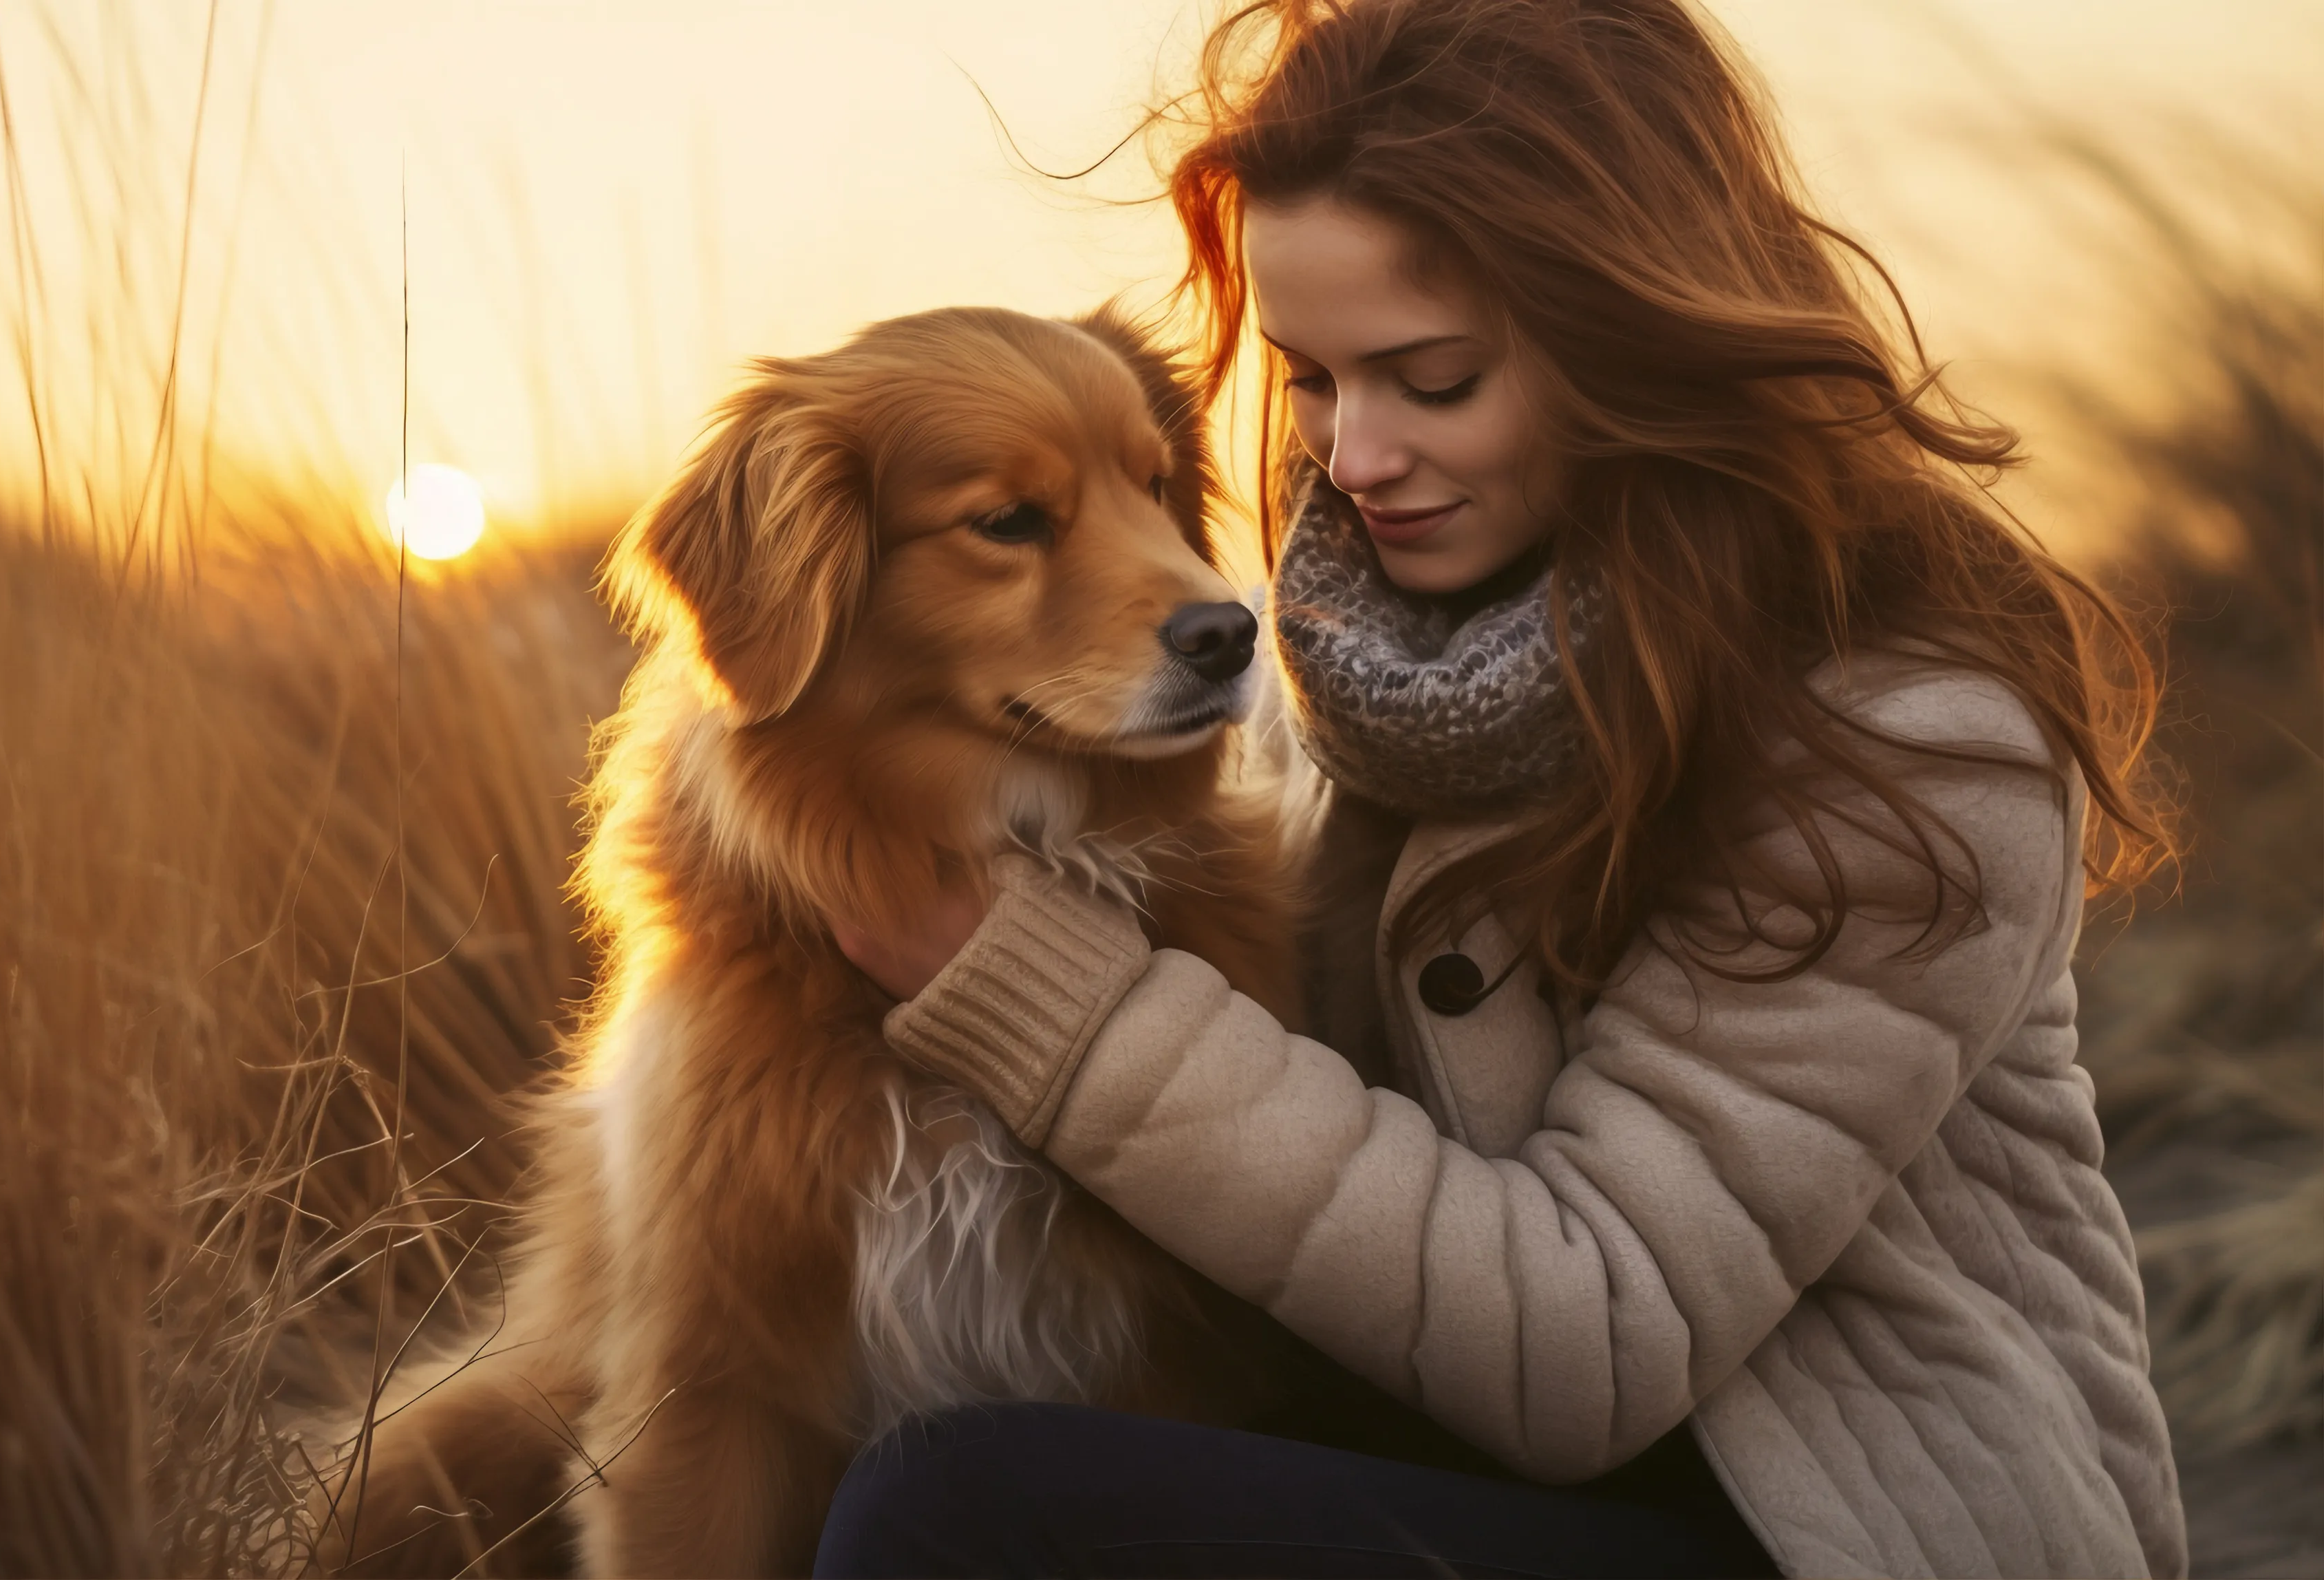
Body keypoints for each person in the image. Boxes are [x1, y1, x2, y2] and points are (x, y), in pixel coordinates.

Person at [813, 1, 2191, 1576]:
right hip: (1455, 1460)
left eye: (1433, 378)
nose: (1352, 456)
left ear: (1630, 332)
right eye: (1312, 377)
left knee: (961, 1508)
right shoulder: (1351, 675)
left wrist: (1045, 1000)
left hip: (1829, 1527)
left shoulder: (1903, 739)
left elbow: (1585, 1336)